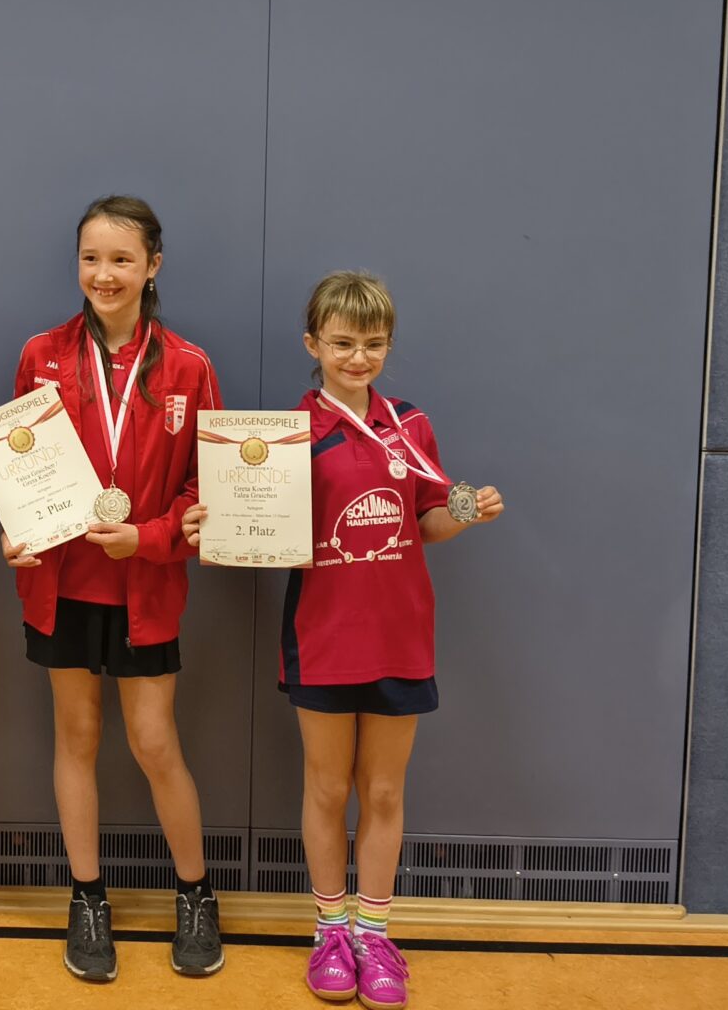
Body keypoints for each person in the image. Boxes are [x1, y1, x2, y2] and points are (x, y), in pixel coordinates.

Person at [250, 270, 503, 1010]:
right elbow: (262, 530)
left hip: (399, 634)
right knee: (328, 789)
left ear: (388, 346)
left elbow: (428, 521)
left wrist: (467, 511)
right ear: (312, 345)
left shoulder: (410, 425)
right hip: (323, 635)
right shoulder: (286, 436)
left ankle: (375, 934)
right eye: (342, 344)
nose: (357, 358)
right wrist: (230, 526)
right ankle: (330, 931)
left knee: (385, 790)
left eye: (373, 344)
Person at [3, 196, 220, 982]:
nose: (104, 274)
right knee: (77, 738)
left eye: (122, 260)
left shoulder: (189, 366)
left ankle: (195, 893)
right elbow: (19, 463)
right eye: (91, 258)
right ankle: (87, 896)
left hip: (146, 588)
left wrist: (149, 539)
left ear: (152, 266)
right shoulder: (42, 353)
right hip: (62, 585)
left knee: (155, 743)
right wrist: (18, 533)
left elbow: (207, 489)